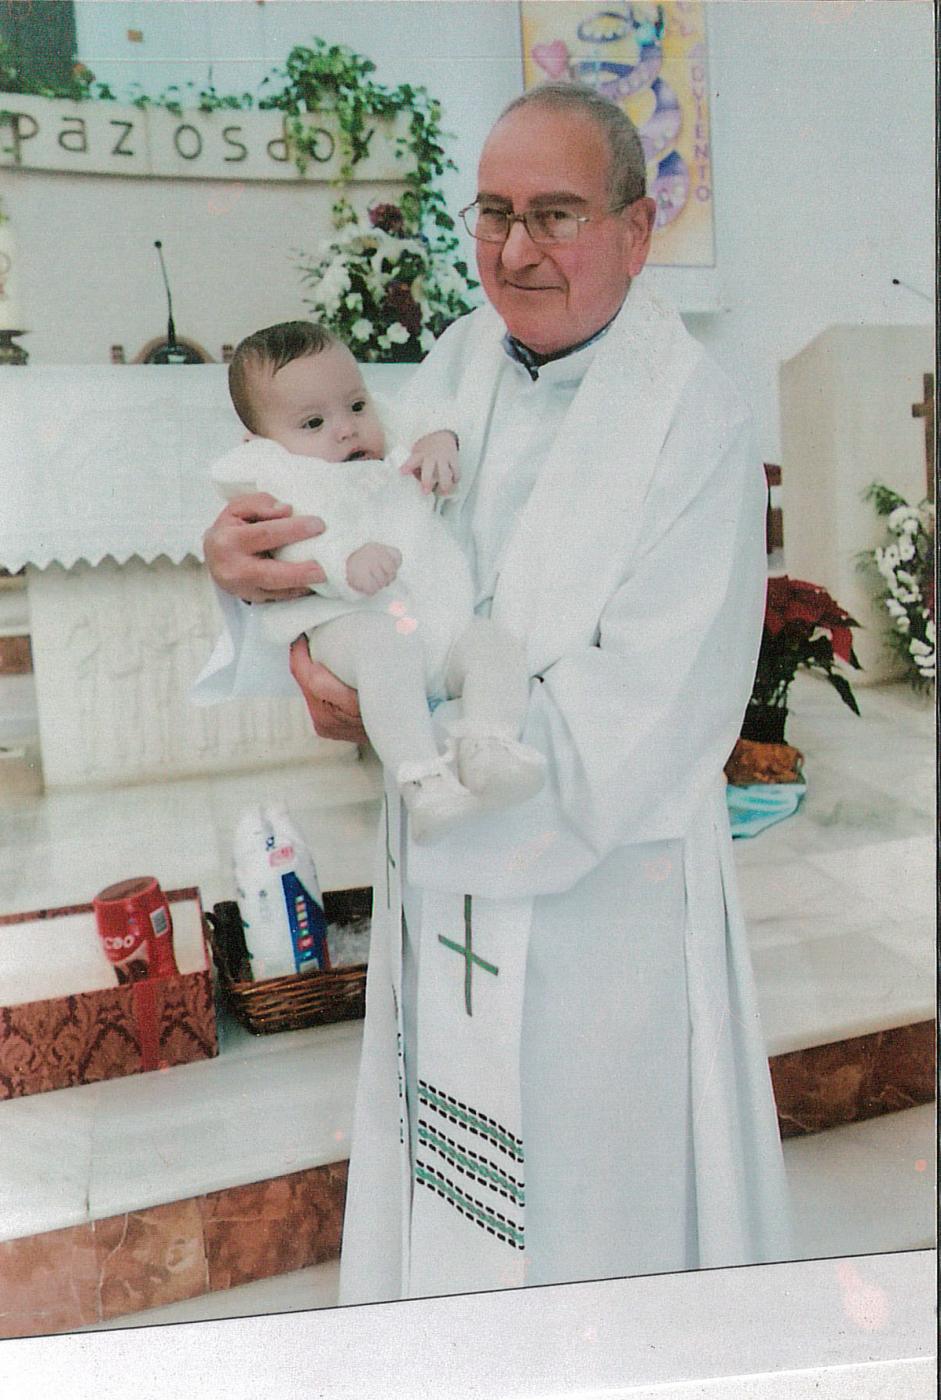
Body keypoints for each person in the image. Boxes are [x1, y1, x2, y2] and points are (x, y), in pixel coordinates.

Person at [197, 81, 792, 1302]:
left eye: (555, 215)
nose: (513, 251)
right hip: (446, 888)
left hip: (602, 907)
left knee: (596, 1241)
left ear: (636, 229)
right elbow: (347, 535)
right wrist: (260, 589)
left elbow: (645, 711)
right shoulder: (459, 357)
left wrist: (399, 717)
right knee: (457, 1228)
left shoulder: (697, 421)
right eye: (492, 214)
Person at [211, 321, 544, 842]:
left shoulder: (381, 437)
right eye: (315, 421)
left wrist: (439, 439)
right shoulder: (282, 477)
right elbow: (288, 540)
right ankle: (423, 779)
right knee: (386, 651)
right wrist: (342, 560)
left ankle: (489, 745)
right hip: (354, 622)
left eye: (356, 406)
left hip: (438, 622)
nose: (346, 428)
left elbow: (423, 414)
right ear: (264, 443)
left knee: (492, 645)